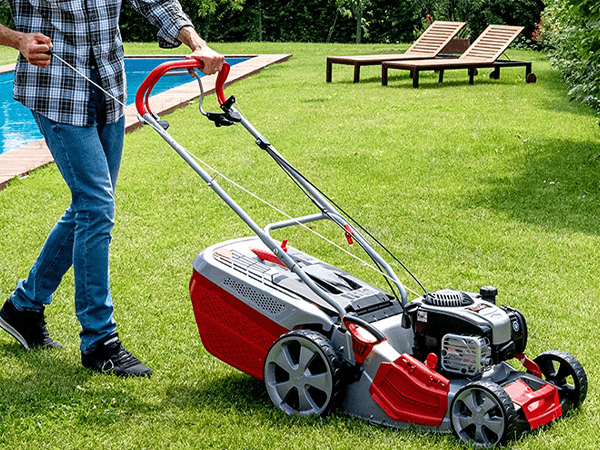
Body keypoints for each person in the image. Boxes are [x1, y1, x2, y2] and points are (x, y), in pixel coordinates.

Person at [0, 0, 223, 377]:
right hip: (56, 93)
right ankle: (99, 341)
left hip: (108, 91)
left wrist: (195, 42)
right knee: (96, 205)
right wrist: (17, 39)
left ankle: (23, 307)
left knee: (90, 207)